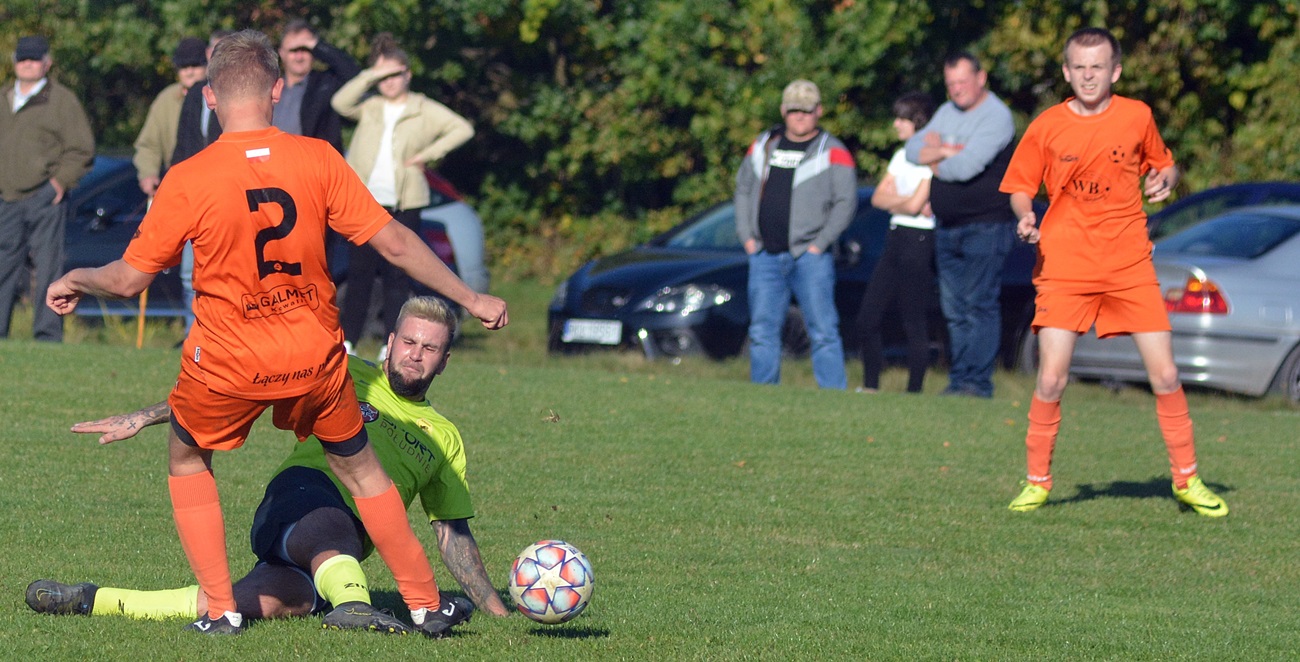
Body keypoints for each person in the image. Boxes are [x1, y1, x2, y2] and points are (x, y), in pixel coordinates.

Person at [44, 30, 508, 637]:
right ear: (278, 88)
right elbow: (393, 241)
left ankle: (220, 611)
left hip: (229, 361)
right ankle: (425, 603)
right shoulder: (318, 158)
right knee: (363, 469)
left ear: (209, 96)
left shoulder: (190, 175)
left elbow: (129, 280)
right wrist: (470, 297)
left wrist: (78, 276)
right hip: (313, 357)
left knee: (188, 459)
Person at [27, 296, 511, 632]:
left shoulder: (446, 436)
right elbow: (238, 392)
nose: (415, 355)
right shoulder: (343, 373)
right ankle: (355, 606)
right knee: (332, 522)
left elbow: (452, 533)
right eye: (409, 342)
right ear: (390, 342)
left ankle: (92, 599)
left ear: (445, 360)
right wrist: (145, 416)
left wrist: (497, 611)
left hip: (344, 546)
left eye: (429, 349)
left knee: (261, 601)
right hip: (300, 497)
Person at [1000, 27, 1228, 517]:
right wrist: (1024, 215)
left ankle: (1187, 480)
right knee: (1051, 380)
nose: (1088, 75)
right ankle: (1037, 481)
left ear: (1115, 71)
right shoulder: (1047, 125)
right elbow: (1021, 185)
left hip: (1128, 264)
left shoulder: (1137, 116)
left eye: (1097, 67)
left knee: (1166, 374)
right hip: (1063, 266)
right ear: (1066, 72)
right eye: (1079, 67)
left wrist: (1165, 179)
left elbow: (1164, 166)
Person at [331, 33, 474, 352]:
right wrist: (371, 74)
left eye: (395, 74)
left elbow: (462, 129)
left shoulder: (423, 108)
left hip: (404, 203)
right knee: (359, 275)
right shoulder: (371, 106)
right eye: (384, 76)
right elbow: (340, 102)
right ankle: (349, 341)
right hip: (365, 202)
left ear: (408, 74)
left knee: (398, 276)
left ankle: (389, 344)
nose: (390, 81)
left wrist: (429, 154)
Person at [904, 52, 1018, 398]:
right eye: (950, 83)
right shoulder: (945, 112)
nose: (956, 89)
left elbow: (966, 168)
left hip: (986, 225)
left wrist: (939, 156)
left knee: (978, 304)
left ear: (981, 78)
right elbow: (911, 149)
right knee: (954, 309)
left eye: (962, 81)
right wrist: (947, 152)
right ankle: (959, 380)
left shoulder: (996, 116)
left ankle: (976, 383)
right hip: (948, 225)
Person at [734, 79, 857, 389]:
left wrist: (818, 245)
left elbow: (846, 202)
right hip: (765, 256)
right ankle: (763, 396)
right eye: (793, 111)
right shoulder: (763, 145)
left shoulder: (833, 151)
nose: (799, 117)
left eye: (806, 110)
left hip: (810, 258)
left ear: (819, 111)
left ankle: (832, 399)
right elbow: (743, 189)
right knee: (762, 332)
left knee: (823, 331)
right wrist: (748, 238)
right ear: (783, 111)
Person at [0, 35, 94, 342]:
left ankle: (47, 337)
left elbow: (81, 149)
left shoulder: (62, 101)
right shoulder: (3, 97)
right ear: (14, 62)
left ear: (47, 63)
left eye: (34, 58)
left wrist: (59, 183)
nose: (28, 64)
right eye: (23, 58)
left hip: (44, 196)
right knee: (3, 269)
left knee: (48, 269)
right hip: (6, 198)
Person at [854, 92, 937, 394]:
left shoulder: (931, 157)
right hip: (895, 238)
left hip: (918, 240)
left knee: (913, 320)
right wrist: (904, 201)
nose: (896, 124)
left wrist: (899, 201)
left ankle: (914, 391)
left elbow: (917, 206)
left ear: (917, 121)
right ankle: (870, 384)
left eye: (902, 119)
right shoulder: (901, 156)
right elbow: (878, 198)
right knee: (867, 318)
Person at [133, 37, 209, 197]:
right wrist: (148, 173)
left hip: (210, 183)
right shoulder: (166, 99)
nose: (189, 72)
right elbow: (148, 144)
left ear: (207, 65)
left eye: (195, 65)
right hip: (177, 185)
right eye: (183, 67)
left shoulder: (218, 95)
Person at [274, 19, 361, 153]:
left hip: (316, 166)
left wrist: (316, 45)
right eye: (293, 50)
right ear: (282, 53)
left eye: (305, 49)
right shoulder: (269, 87)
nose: (299, 57)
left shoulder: (325, 83)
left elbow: (355, 76)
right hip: (277, 164)